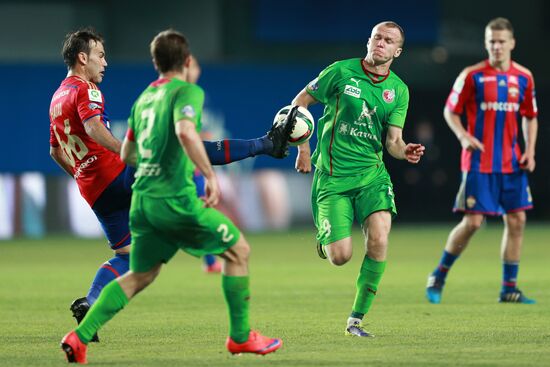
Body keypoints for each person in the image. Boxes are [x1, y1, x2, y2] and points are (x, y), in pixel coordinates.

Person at [49, 27, 295, 342]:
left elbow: (55, 151)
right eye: (100, 55)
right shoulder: (86, 89)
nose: (105, 62)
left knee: (127, 255)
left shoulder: (57, 97)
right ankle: (266, 144)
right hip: (118, 174)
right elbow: (94, 127)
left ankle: (92, 302)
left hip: (94, 191)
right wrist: (129, 154)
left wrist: (82, 177)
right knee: (183, 147)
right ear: (83, 58)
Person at [291, 21, 425, 337]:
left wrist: (404, 150)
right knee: (341, 257)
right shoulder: (339, 72)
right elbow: (300, 104)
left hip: (371, 177)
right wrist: (303, 150)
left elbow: (393, 140)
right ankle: (326, 243)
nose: (381, 43)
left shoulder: (399, 91)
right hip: (333, 178)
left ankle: (356, 319)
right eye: (377, 37)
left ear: (398, 51)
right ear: (369, 40)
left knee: (379, 238)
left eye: (389, 40)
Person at [426, 17, 538, 305]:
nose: (496, 46)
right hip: (479, 162)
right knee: (474, 222)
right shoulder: (472, 75)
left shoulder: (524, 77)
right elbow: (450, 111)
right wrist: (463, 136)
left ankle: (509, 289)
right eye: (491, 42)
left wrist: (530, 150)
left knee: (517, 220)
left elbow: (530, 116)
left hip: (512, 163)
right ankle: (439, 274)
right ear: (486, 44)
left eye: (501, 41)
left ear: (512, 43)